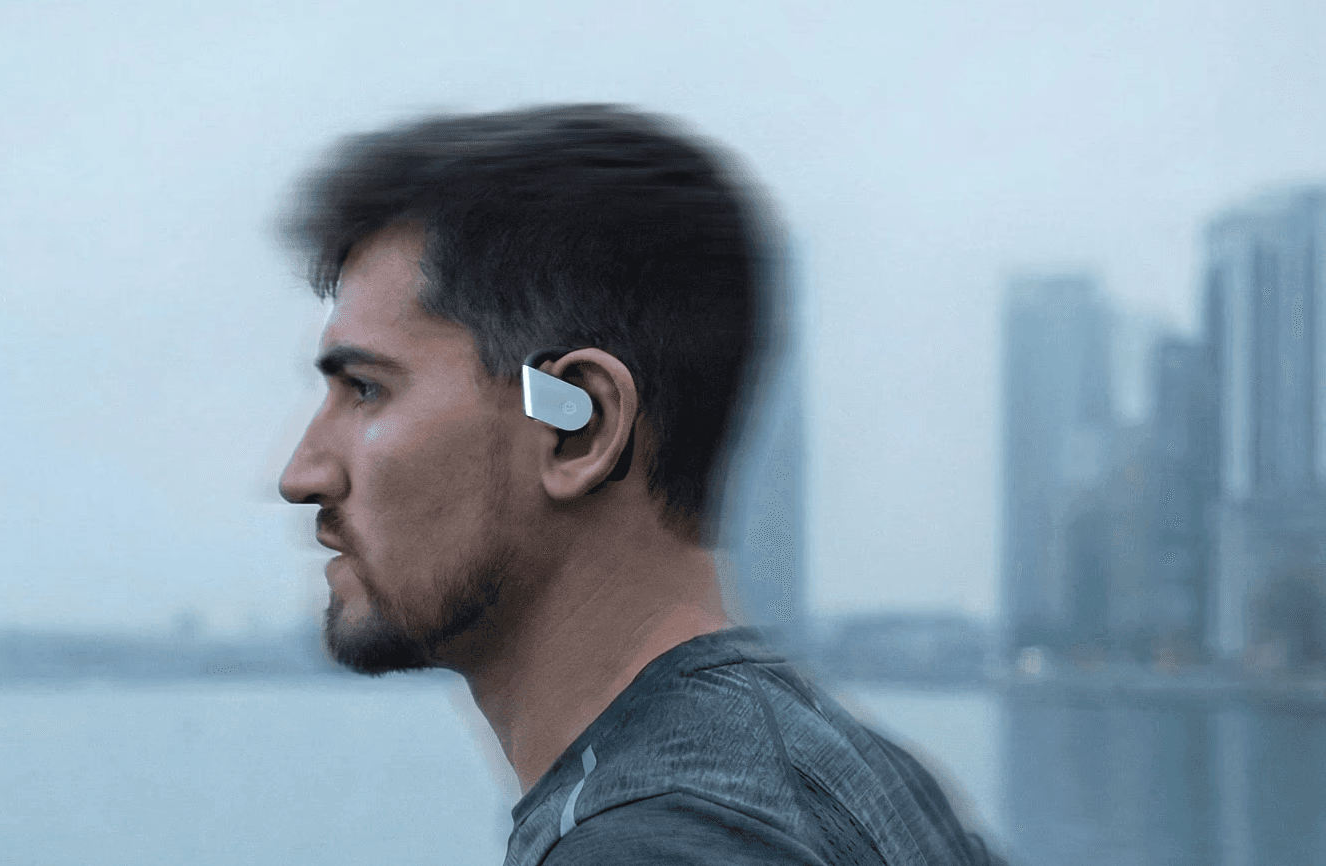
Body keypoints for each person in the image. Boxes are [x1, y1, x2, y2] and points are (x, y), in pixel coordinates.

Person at [277, 104, 1005, 866]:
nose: (302, 474)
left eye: (365, 389)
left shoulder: (646, 841)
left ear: (576, 428)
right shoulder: (857, 774)